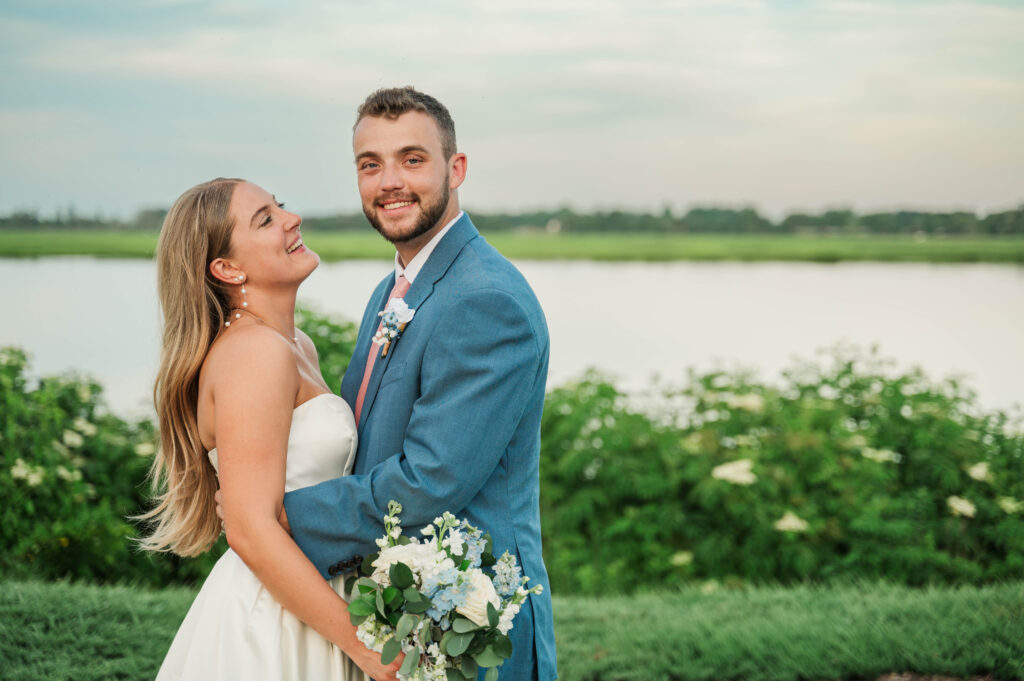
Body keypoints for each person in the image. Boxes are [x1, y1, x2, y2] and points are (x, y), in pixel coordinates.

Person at [276, 87, 558, 680]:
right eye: (370, 164)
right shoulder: (394, 290)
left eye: (412, 159)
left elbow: (430, 481)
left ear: (455, 169)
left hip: (473, 630)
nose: (389, 182)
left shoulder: (486, 300)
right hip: (400, 620)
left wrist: (279, 516)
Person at [139, 177, 401, 681]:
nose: (291, 218)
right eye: (265, 219)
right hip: (273, 622)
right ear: (227, 268)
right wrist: (363, 647)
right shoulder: (254, 354)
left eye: (279, 205)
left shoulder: (295, 344)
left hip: (314, 595)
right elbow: (251, 530)